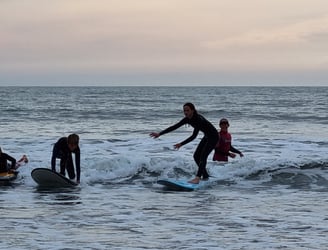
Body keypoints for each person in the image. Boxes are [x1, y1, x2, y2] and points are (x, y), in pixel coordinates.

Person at [150, 103, 218, 184]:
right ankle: (205, 176)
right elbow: (174, 127)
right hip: (207, 136)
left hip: (214, 137)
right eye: (184, 111)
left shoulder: (198, 119)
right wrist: (160, 134)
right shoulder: (187, 119)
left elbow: (193, 136)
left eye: (187, 110)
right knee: (196, 156)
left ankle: (197, 178)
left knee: (203, 156)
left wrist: (181, 144)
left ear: (192, 110)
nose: (185, 112)